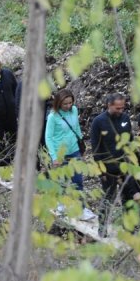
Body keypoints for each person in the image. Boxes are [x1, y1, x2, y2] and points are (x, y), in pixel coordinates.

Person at [44, 89, 96, 221]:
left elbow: (77, 127)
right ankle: (61, 203)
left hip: (74, 150)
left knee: (77, 181)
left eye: (70, 103)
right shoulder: (52, 117)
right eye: (65, 104)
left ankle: (81, 209)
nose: (68, 106)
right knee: (62, 180)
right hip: (60, 154)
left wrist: (81, 144)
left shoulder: (74, 110)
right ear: (58, 103)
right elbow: (48, 138)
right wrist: (54, 157)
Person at [90, 93, 133, 235]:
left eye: (122, 108)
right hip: (107, 169)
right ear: (109, 105)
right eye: (117, 108)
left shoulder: (126, 119)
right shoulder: (98, 122)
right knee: (108, 198)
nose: (120, 111)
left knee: (128, 198)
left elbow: (130, 141)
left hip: (124, 166)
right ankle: (102, 228)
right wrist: (100, 171)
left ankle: (129, 229)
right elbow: (95, 148)